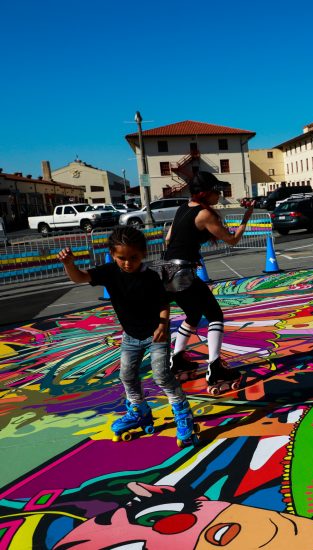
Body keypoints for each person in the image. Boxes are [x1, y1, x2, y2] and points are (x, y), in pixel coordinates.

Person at [57, 226, 196, 445]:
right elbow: (80, 277)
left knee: (161, 375)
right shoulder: (109, 272)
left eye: (134, 257)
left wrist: (162, 324)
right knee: (127, 376)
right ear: (112, 254)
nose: (128, 263)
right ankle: (138, 410)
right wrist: (68, 264)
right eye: (122, 258)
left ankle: (183, 412)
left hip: (156, 334)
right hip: (130, 336)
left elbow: (163, 303)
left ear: (143, 254)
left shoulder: (150, 276)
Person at [165, 171, 254, 392]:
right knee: (215, 315)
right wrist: (245, 218)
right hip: (183, 271)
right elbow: (231, 240)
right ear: (205, 193)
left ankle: (177, 360)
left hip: (166, 270)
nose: (219, 196)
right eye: (217, 191)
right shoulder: (204, 214)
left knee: (193, 315)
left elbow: (168, 239)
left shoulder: (183, 208)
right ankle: (215, 369)